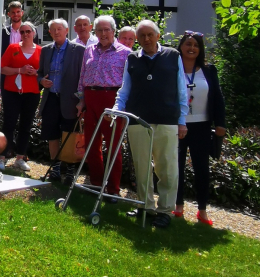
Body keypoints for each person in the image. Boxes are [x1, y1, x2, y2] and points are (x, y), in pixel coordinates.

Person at [113, 20, 188, 229]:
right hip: (138, 120)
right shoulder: (132, 58)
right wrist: (118, 109)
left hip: (167, 119)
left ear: (158, 36)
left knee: (167, 167)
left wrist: (182, 121)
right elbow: (124, 89)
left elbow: (181, 90)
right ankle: (145, 205)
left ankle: (165, 210)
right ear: (137, 39)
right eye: (142, 36)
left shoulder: (173, 56)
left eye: (150, 35)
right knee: (142, 166)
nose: (146, 39)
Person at [76, 15, 131, 198]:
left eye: (107, 29)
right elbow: (82, 76)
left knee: (113, 145)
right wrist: (81, 100)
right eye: (99, 30)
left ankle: (113, 189)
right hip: (91, 98)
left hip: (112, 100)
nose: (103, 33)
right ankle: (97, 183)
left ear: (114, 31)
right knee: (92, 144)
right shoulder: (90, 50)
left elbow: (129, 83)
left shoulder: (125, 53)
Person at [174, 31, 226, 226]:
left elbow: (218, 98)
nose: (191, 48)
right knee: (177, 167)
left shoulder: (209, 70)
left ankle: (202, 210)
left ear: (200, 49)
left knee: (202, 169)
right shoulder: (173, 69)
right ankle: (178, 206)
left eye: (196, 45)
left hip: (202, 127)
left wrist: (221, 123)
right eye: (188, 44)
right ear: (180, 46)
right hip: (179, 125)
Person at [37, 18, 85, 182]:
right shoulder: (46, 50)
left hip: (70, 100)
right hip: (51, 98)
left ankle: (70, 171)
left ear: (66, 31)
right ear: (49, 32)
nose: (56, 32)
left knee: (69, 135)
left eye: (59, 29)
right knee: (52, 134)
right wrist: (41, 80)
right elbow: (40, 73)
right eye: (53, 30)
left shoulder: (79, 50)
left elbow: (83, 77)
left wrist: (81, 100)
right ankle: (55, 169)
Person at [0, 21, 42, 173]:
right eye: (22, 32)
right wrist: (20, 70)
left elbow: (45, 72)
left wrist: (35, 73)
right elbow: (2, 68)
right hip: (12, 92)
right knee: (9, 125)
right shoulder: (13, 48)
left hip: (31, 93)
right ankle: (3, 156)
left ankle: (20, 157)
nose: (25, 34)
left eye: (28, 31)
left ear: (33, 33)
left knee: (26, 126)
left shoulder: (40, 51)